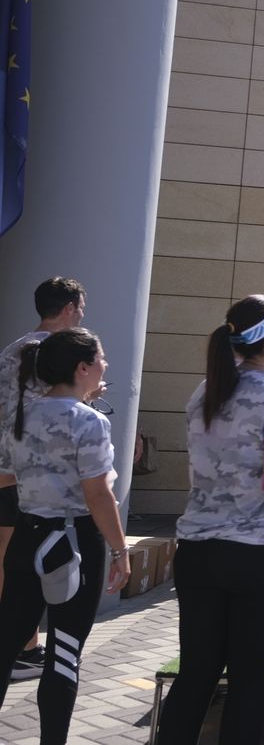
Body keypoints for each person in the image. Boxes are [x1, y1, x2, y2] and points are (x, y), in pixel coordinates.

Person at [158, 295, 264, 745]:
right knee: (248, 681)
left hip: (199, 550)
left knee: (196, 673)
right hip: (259, 554)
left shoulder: (205, 391)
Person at [0, 328, 129, 745]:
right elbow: (98, 493)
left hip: (26, 536)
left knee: (5, 644)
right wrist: (120, 548)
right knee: (65, 650)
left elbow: (7, 473)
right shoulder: (88, 421)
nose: (106, 366)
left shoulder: (23, 413)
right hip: (73, 543)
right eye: (102, 358)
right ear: (83, 367)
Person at [0, 277, 86, 682]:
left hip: (7, 465)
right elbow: (48, 414)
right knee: (23, 564)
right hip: (28, 470)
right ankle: (20, 650)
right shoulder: (50, 353)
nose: (82, 315)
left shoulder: (14, 348)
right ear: (69, 307)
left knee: (10, 562)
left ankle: (26, 647)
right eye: (80, 308)